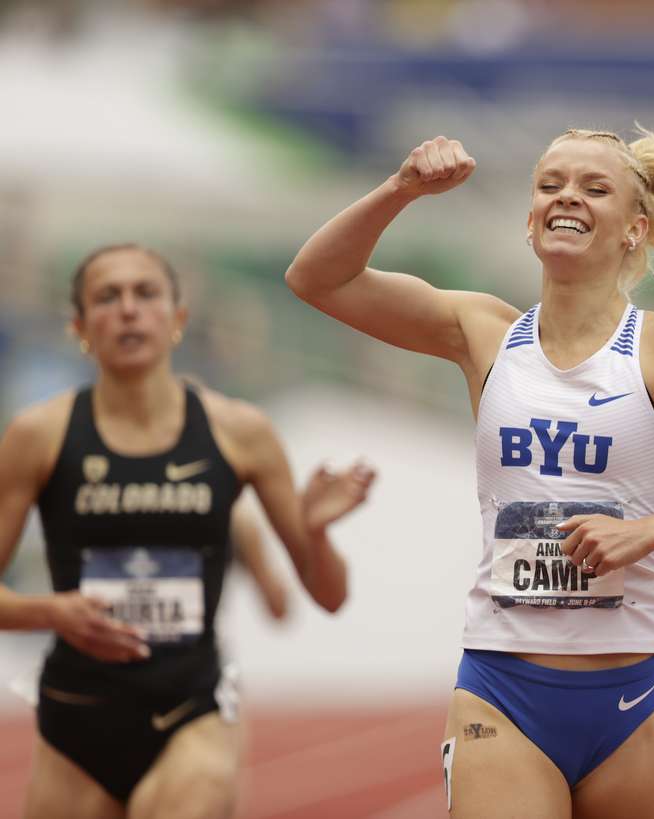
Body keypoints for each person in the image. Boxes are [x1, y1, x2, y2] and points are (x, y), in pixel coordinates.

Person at [284, 108, 654, 818]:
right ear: (530, 222)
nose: (566, 197)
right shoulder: (482, 332)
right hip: (503, 684)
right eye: (549, 184)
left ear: (634, 228)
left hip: (631, 696)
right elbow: (316, 279)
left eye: (593, 188)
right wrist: (401, 189)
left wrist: (652, 531)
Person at [0, 243, 375, 819]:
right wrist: (52, 612)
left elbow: (328, 596)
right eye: (108, 297)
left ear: (177, 320)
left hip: (189, 712)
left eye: (146, 293)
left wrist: (317, 535)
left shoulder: (239, 433)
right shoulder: (38, 436)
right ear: (80, 328)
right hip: (74, 718)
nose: (129, 310)